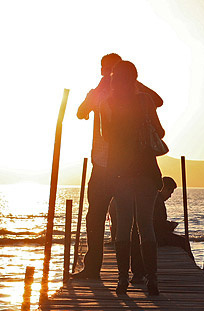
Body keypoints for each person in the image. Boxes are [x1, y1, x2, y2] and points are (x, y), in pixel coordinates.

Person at [73, 53, 163, 281]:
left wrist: (133, 85)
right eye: (105, 71)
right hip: (102, 164)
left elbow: (158, 101)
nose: (108, 75)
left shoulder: (137, 96)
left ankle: (137, 270)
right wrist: (97, 91)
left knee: (131, 219)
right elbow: (81, 113)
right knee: (95, 216)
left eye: (113, 72)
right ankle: (93, 268)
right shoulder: (99, 95)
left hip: (126, 166)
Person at [101, 60, 166, 296]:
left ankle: (121, 280)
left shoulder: (109, 103)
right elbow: (160, 132)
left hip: (120, 171)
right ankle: (152, 279)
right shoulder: (144, 101)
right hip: (146, 168)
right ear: (135, 78)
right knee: (145, 225)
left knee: (123, 226)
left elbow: (106, 135)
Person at [129, 176, 192, 285]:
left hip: (155, 233)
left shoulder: (152, 199)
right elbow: (158, 224)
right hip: (157, 235)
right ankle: (193, 269)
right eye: (170, 192)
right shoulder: (156, 201)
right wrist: (170, 226)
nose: (170, 196)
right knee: (183, 241)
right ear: (164, 188)